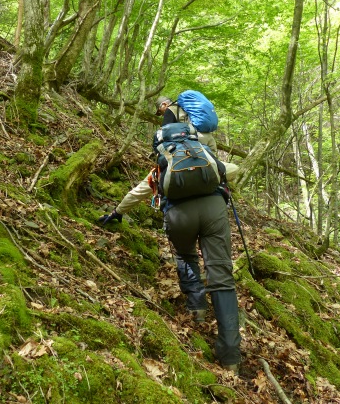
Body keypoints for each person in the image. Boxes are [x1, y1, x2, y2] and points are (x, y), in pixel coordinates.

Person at [99, 130, 242, 373]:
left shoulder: (162, 168)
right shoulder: (204, 156)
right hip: (214, 212)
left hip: (179, 216)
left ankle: (197, 308)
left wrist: (117, 212)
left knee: (185, 255)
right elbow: (233, 169)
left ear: (161, 147)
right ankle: (230, 357)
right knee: (222, 278)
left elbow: (137, 193)